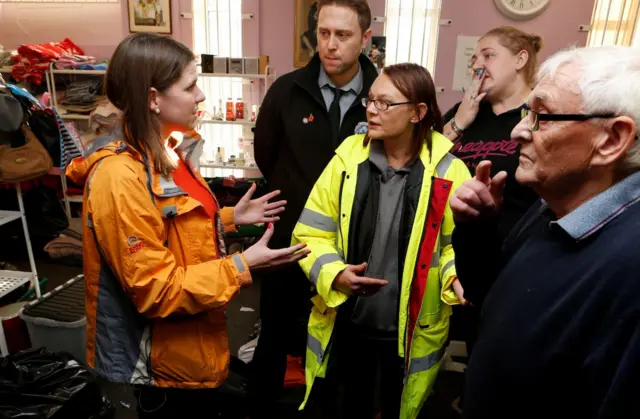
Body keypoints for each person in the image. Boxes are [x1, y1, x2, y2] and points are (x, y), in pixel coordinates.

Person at [65, 33, 308, 418]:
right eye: (190, 85)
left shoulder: (167, 153)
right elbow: (155, 290)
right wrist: (243, 266)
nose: (200, 96)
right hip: (161, 368)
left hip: (192, 348)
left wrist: (228, 219)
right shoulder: (119, 178)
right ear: (152, 98)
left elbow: (169, 229)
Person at [450, 46, 640, 418]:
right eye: (527, 113)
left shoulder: (631, 268)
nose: (519, 131)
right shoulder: (552, 207)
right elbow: (492, 298)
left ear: (613, 139)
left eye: (542, 116)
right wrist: (479, 230)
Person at [292, 63, 471, 419]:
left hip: (410, 330)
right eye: (370, 100)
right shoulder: (346, 161)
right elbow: (310, 233)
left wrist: (454, 276)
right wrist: (335, 274)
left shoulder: (450, 172)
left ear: (419, 112)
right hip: (347, 324)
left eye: (385, 104)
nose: (372, 110)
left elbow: (454, 246)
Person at [251, 0, 379, 415]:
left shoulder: (382, 95)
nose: (330, 44)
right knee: (275, 332)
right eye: (324, 33)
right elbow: (266, 155)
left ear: (365, 38)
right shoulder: (287, 90)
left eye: (342, 35)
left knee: (344, 340)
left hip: (354, 243)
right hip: (289, 240)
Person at [440, 27, 543, 412]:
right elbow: (426, 162)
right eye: (474, 58)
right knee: (471, 340)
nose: (478, 65)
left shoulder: (536, 114)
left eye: (488, 55)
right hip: (460, 252)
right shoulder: (467, 111)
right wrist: (461, 121)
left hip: (516, 252)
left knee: (507, 349)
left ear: (520, 60)